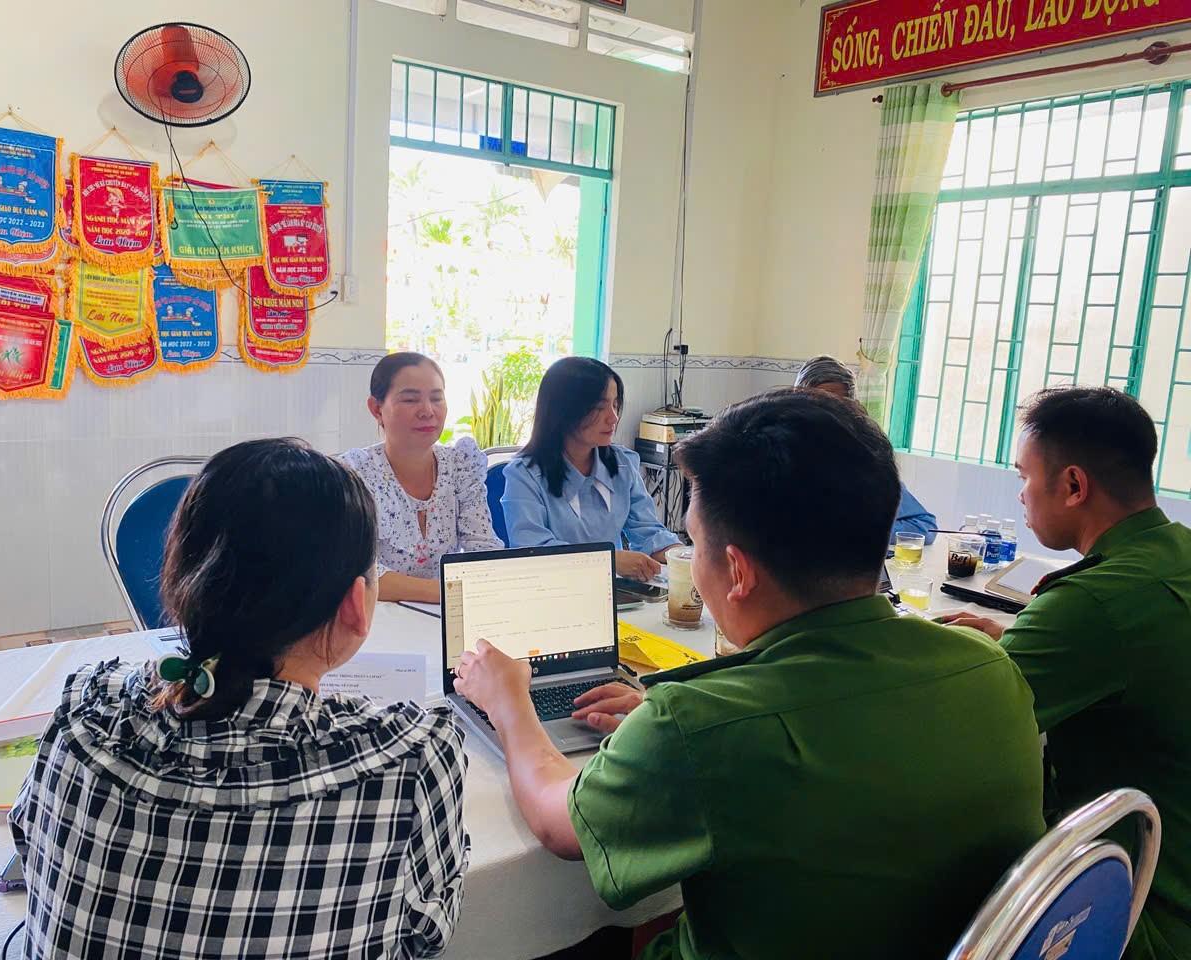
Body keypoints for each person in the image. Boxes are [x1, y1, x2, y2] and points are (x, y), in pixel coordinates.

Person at [458, 390, 1046, 959]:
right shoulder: (990, 667)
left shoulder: (694, 726)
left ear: (736, 571)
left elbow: (559, 823)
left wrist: (509, 701)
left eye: (693, 542)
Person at [10, 439, 469, 960]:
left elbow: (29, 846)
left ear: (181, 576)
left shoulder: (86, 710)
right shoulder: (410, 760)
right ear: (356, 606)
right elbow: (426, 935)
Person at [939, 387, 1191, 960]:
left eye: (1024, 476)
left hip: (1143, 904)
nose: (1021, 494)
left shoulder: (1091, 603)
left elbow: (965, 723)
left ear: (1074, 485)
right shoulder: (1175, 550)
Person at [341, 352, 503, 603]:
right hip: (377, 615)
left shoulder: (461, 466)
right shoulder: (355, 474)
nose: (428, 411)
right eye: (410, 399)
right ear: (376, 408)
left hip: (445, 614)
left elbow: (483, 549)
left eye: (436, 398)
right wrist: (450, 592)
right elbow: (358, 572)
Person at [502, 357, 680, 581]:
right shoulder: (524, 475)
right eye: (599, 407)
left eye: (615, 405)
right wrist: (609, 560)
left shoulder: (623, 463)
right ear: (564, 410)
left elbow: (649, 533)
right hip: (551, 591)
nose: (613, 418)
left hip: (611, 591)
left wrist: (683, 555)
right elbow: (533, 552)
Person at [794, 355, 938, 543]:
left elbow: (923, 526)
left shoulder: (864, 455)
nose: (829, 415)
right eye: (819, 403)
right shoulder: (778, 450)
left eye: (838, 404)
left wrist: (862, 533)